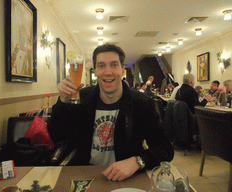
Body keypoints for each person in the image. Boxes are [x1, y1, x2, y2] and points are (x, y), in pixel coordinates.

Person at [48, 43, 174, 182]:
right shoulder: (80, 99)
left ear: (122, 70)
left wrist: (137, 161)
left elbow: (165, 149)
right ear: (95, 70)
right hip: (84, 173)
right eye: (101, 66)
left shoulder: (141, 103)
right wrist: (62, 101)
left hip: (126, 177)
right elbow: (56, 136)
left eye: (114, 65)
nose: (108, 72)